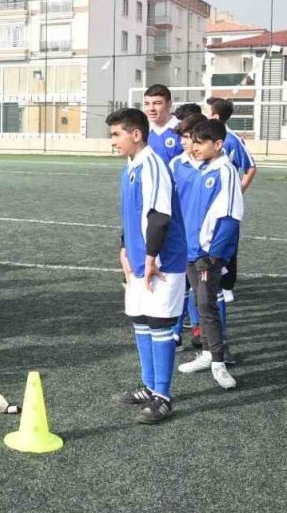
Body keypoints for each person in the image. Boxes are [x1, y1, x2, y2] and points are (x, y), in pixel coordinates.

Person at [105, 108, 187, 424]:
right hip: (139, 260)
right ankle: (150, 387)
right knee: (141, 319)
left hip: (162, 261)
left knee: (160, 324)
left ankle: (163, 397)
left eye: (116, 134)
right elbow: (132, 213)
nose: (113, 141)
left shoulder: (153, 164)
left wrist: (152, 257)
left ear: (136, 134)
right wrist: (125, 248)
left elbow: (159, 216)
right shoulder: (131, 166)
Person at [175, 119, 242, 390]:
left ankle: (218, 362)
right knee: (196, 304)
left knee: (207, 304)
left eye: (201, 142)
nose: (195, 146)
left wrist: (213, 255)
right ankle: (205, 354)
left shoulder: (225, 171)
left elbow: (230, 217)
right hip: (188, 250)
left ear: (218, 144)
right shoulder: (198, 169)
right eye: (194, 141)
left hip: (205, 254)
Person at [203, 97, 257, 310]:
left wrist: (239, 190)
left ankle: (226, 286)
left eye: (207, 110)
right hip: (206, 196)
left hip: (224, 200)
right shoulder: (203, 137)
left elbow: (251, 167)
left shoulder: (232, 138)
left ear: (215, 115)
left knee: (226, 240)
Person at [169, 114, 207, 348]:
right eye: (181, 137)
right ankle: (175, 331)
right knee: (178, 284)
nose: (183, 142)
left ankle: (205, 334)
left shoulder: (214, 164)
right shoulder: (176, 164)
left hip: (204, 239)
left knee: (204, 290)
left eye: (187, 137)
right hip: (179, 236)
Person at [143, 84, 181, 163]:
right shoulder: (143, 131)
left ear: (169, 104)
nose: (151, 108)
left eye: (157, 103)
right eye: (147, 104)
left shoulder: (183, 130)